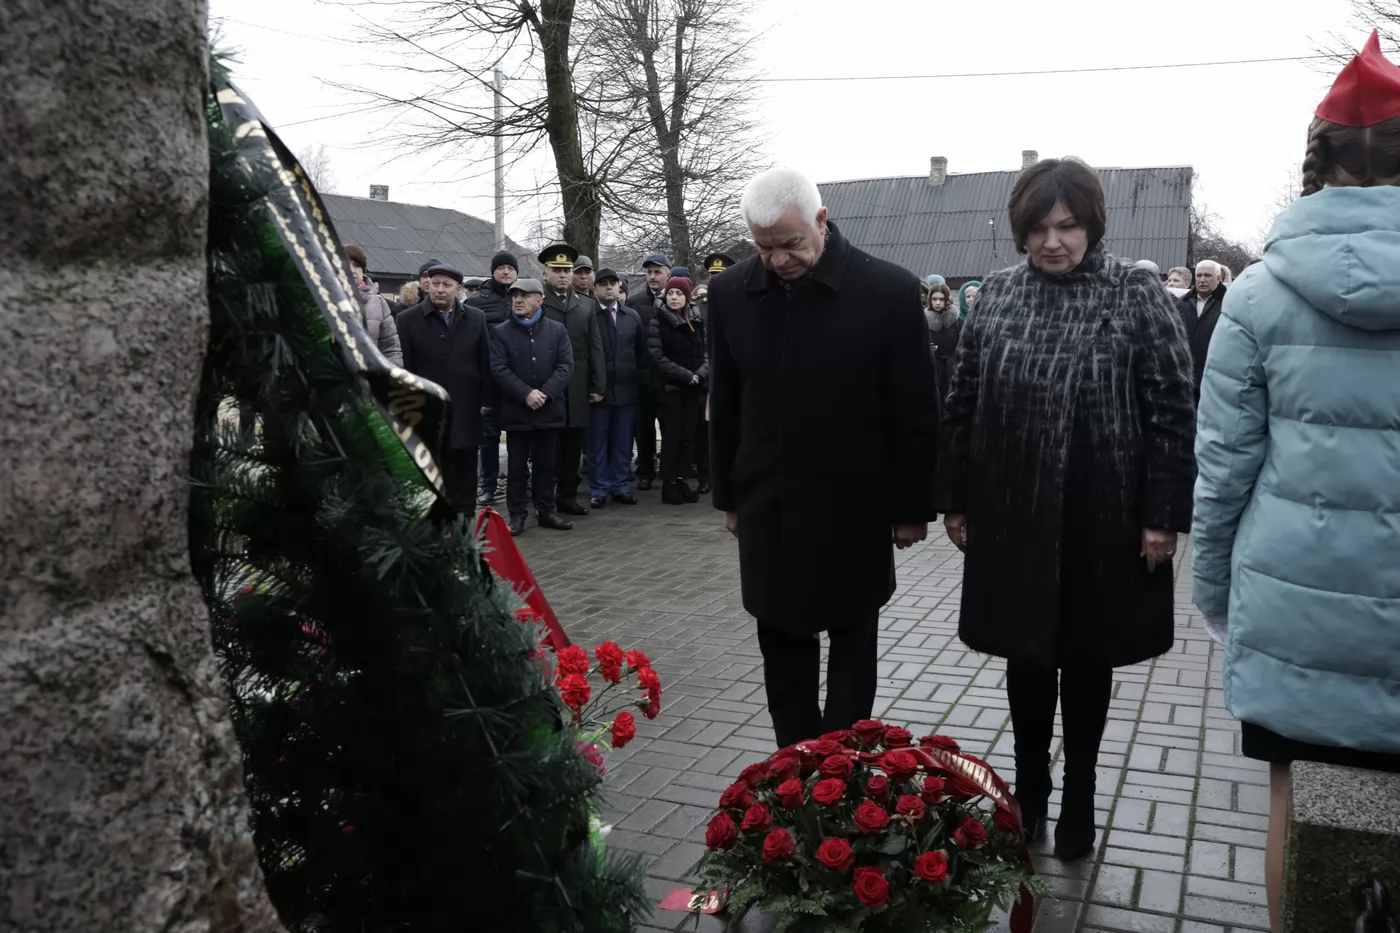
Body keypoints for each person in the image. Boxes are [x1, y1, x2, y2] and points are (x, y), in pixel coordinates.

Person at [1192, 31, 1400, 929]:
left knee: (1297, 799)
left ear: (1318, 159)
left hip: (1293, 604)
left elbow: (1222, 470)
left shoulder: (1254, 296)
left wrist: (1214, 595)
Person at [936, 157, 1195, 861]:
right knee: (1025, 659)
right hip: (1012, 512)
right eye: (1038, 228)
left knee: (1086, 659)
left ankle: (1080, 792)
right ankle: (1029, 792)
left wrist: (1163, 514)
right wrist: (956, 500)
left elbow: (1173, 409)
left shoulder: (1134, 292)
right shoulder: (998, 295)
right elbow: (962, 403)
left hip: (1103, 517)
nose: (1052, 241)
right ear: (1020, 230)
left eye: (1067, 226)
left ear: (1092, 226)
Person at [708, 167, 939, 748]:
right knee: (780, 641)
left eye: (791, 244)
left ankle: (844, 763)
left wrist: (912, 508)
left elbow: (914, 409)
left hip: (854, 504)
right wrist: (729, 497)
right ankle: (793, 766)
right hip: (768, 503)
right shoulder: (732, 293)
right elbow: (726, 402)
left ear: (821, 220)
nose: (778, 260)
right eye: (765, 248)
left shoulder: (887, 291)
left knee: (853, 639)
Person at [398, 263, 495, 518]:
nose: (440, 289)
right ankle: (439, 519)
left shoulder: (475, 317)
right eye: (435, 284)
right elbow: (406, 367)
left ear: (458, 289)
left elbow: (485, 360)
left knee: (466, 463)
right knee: (436, 464)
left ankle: (466, 517)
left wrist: (486, 399)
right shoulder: (408, 320)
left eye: (447, 285)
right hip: (428, 407)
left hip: (467, 403)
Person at [490, 278, 575, 536]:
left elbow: (565, 366)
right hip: (518, 411)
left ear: (539, 300)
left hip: (549, 410)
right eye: (514, 295)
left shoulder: (557, 330)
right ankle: (517, 515)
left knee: (546, 466)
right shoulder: (501, 332)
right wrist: (525, 393)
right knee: (516, 468)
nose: (518, 300)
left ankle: (546, 510)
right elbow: (499, 368)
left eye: (524, 295)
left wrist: (546, 393)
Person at [539, 243, 604, 517]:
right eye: (557, 270)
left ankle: (567, 497)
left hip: (577, 384)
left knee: (572, 446)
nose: (563, 275)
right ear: (545, 273)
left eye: (566, 270)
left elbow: (595, 346)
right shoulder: (537, 301)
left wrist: (598, 385)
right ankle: (544, 500)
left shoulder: (586, 305)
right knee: (546, 449)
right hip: (547, 383)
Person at [648, 276, 708, 505]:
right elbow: (657, 356)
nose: (674, 297)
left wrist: (700, 374)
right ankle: (669, 483)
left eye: (679, 294)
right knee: (672, 437)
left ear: (687, 297)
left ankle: (682, 479)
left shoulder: (696, 321)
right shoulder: (658, 321)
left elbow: (706, 352)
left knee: (688, 438)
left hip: (693, 390)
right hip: (671, 389)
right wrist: (685, 375)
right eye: (670, 293)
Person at [587, 268, 644, 508]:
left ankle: (620, 486)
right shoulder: (588, 316)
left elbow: (640, 351)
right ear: (595, 289)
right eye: (603, 284)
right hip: (598, 393)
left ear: (619, 286)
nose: (609, 287)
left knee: (623, 442)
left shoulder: (632, 316)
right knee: (597, 443)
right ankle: (599, 489)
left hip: (626, 390)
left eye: (613, 283)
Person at [469, 251, 519, 505]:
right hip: (488, 382)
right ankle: (488, 485)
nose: (506, 272)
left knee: (520, 438)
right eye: (501, 268)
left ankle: (519, 483)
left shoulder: (523, 297)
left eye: (511, 268)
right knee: (488, 438)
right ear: (492, 272)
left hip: (518, 381)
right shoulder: (477, 302)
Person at [628, 253, 672, 490]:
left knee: (670, 428)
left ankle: (669, 471)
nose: (652, 276)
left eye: (657, 272)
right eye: (649, 272)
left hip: (669, 379)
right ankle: (645, 471)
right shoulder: (634, 304)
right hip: (643, 379)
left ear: (668, 274)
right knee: (643, 429)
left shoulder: (677, 299)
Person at [1177, 259, 1228, 401]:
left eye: (1207, 275)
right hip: (1185, 374)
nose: (1202, 280)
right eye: (1199, 275)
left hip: (1215, 374)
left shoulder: (1228, 303)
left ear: (1218, 278)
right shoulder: (1182, 303)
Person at [344, 244, 402, 365]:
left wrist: (390, 373)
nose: (353, 270)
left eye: (357, 265)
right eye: (346, 264)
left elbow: (390, 348)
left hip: (369, 372)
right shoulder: (322, 300)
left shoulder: (378, 303)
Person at [926, 281, 959, 405]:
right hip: (932, 370)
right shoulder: (923, 321)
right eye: (934, 299)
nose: (938, 303)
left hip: (952, 370)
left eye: (941, 299)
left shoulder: (957, 321)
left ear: (947, 300)